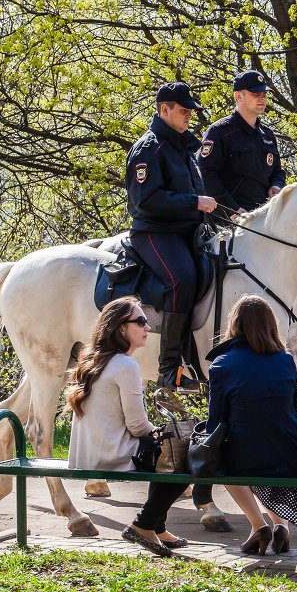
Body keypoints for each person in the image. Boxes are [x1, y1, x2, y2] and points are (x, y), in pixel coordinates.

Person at [203, 295, 297, 554]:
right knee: (269, 454)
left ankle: (258, 525)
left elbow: (216, 421)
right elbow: (291, 412)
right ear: (270, 326)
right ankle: (281, 526)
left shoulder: (222, 364)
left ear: (235, 324)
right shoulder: (286, 361)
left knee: (227, 463)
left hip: (246, 454)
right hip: (288, 450)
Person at [66, 296, 189, 557]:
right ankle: (144, 524)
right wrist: (158, 433)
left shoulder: (92, 360)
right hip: (112, 454)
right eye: (141, 321)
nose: (148, 327)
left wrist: (154, 435)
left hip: (87, 454)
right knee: (182, 455)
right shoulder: (126, 365)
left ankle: (157, 526)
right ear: (121, 328)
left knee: (164, 449)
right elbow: (136, 425)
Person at [126, 81, 217, 391]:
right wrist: (194, 202)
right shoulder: (149, 148)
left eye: (191, 111)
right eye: (183, 110)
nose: (189, 115)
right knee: (182, 278)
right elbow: (146, 199)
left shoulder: (183, 146)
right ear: (164, 110)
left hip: (187, 232)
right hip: (154, 232)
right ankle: (168, 371)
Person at [197, 71, 285, 214]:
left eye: (264, 94)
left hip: (266, 217)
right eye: (256, 94)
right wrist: (233, 210)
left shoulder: (267, 134)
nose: (262, 98)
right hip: (231, 221)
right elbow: (206, 174)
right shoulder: (219, 132)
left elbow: (278, 171)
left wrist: (277, 186)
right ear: (238, 96)